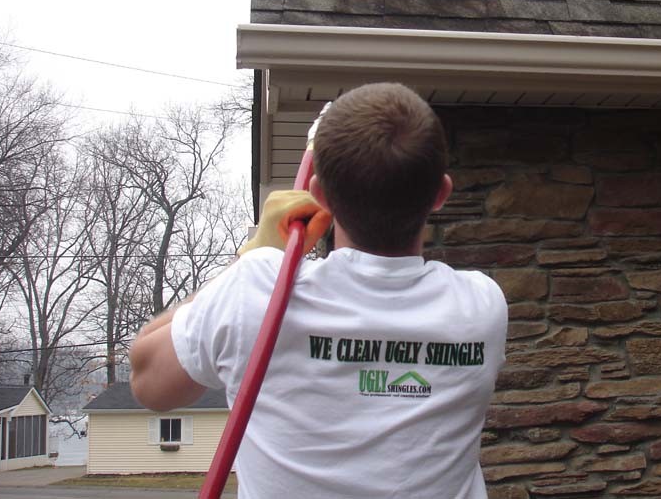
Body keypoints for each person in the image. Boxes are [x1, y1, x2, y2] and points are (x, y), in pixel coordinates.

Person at [129, 82, 508, 499]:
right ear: (441, 194)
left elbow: (148, 381)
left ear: (319, 197)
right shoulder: (482, 306)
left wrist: (253, 255)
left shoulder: (255, 289)